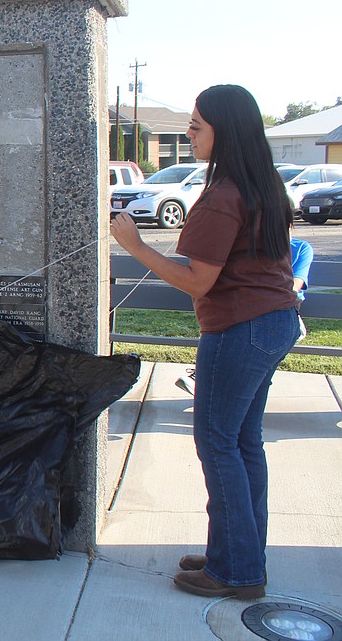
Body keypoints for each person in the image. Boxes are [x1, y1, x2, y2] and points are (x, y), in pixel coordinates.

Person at [111, 85, 299, 600]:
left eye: (196, 126)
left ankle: (235, 573)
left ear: (224, 130)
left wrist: (135, 244)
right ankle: (238, 556)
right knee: (242, 444)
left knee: (218, 444)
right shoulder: (262, 185)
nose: (189, 133)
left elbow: (197, 280)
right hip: (274, 323)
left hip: (241, 330)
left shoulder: (221, 196)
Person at [175, 233, 313, 395]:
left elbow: (292, 289)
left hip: (282, 314)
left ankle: (207, 380)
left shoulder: (301, 249)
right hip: (248, 311)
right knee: (233, 327)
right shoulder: (253, 246)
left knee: (246, 333)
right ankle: (210, 380)